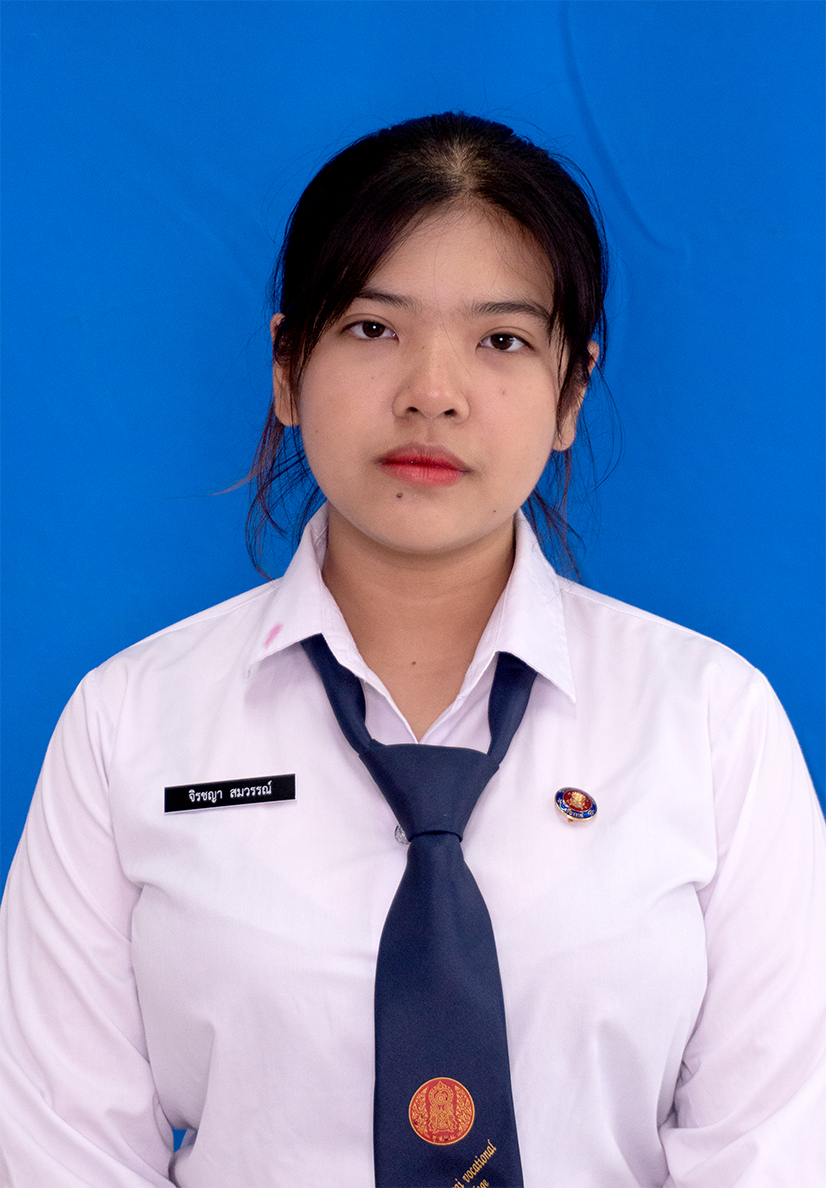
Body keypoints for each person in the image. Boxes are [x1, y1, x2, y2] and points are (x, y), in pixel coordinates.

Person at [0, 112, 824, 1188]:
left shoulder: (712, 722)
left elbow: (777, 1142)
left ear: (571, 392)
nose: (432, 390)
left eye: (501, 340)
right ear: (286, 368)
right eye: (372, 328)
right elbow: (61, 1149)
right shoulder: (129, 723)